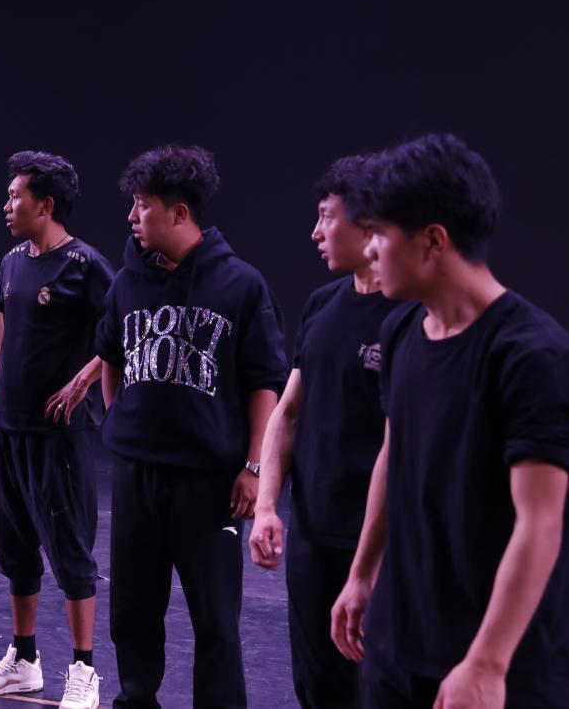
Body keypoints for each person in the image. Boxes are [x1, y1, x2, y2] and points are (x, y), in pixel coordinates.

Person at [329, 134, 569, 708]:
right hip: (398, 646)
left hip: (494, 663)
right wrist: (362, 574)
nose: (370, 251)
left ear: (434, 241)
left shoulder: (530, 355)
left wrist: (487, 663)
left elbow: (540, 522)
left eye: (380, 234)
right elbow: (395, 452)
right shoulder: (400, 331)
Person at [95, 145, 287, 708]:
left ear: (179, 213)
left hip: (208, 485)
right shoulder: (126, 283)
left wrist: (254, 467)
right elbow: (111, 357)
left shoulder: (241, 285)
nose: (131, 216)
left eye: (142, 205)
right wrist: (121, 421)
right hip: (137, 479)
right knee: (132, 611)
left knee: (216, 620)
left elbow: (264, 384)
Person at [247, 155, 400, 708]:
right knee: (317, 687)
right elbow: (287, 413)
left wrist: (366, 567)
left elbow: (399, 445)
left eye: (326, 217)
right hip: (314, 536)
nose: (315, 232)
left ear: (368, 223)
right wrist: (268, 507)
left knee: (378, 688)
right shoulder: (322, 305)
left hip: (381, 544)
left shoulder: (409, 316)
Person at [0, 151, 113, 708]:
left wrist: (85, 378)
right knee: (14, 548)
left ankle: (84, 669)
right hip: (7, 431)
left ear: (45, 205)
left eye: (15, 197)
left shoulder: (84, 265)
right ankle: (24, 660)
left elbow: (125, 328)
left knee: (70, 551)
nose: (6, 206)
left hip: (59, 437)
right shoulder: (12, 261)